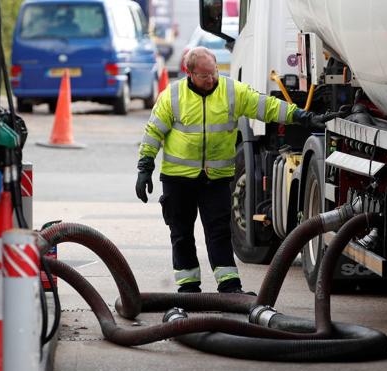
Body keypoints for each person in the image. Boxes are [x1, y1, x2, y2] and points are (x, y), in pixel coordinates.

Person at [136, 47, 329, 294]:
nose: (211, 79)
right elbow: (153, 133)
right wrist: (145, 168)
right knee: (181, 233)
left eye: (214, 72)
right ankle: (188, 287)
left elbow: (266, 106)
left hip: (215, 179)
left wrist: (302, 116)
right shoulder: (172, 96)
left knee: (219, 233)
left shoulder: (231, 91)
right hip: (178, 179)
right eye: (205, 75)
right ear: (190, 73)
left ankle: (228, 285)